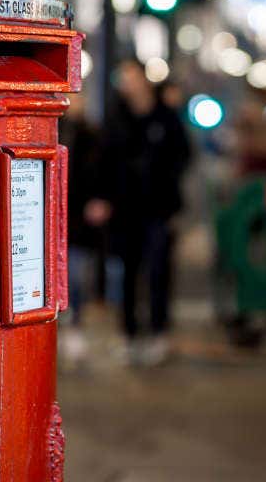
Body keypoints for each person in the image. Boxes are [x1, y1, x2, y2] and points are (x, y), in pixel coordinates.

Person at [100, 59, 191, 365]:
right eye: (123, 78)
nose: (128, 84)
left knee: (158, 271)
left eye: (132, 77)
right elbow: (106, 161)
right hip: (125, 209)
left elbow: (182, 157)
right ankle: (128, 333)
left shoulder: (166, 118)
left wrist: (172, 202)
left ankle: (158, 332)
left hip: (159, 208)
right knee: (126, 271)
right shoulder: (116, 118)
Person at [57, 93, 110, 367]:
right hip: (55, 214)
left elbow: (104, 173)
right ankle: (61, 327)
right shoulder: (55, 127)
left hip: (79, 218)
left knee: (75, 276)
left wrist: (101, 201)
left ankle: (74, 326)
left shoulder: (92, 135)